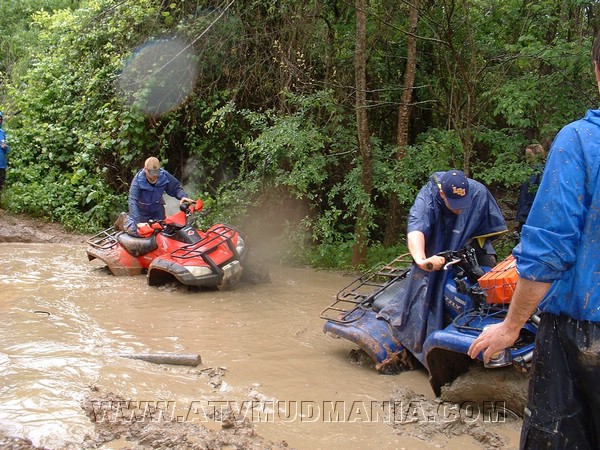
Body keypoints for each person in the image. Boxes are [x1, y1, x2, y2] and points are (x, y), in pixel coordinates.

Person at [468, 34, 600, 450]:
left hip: (581, 332)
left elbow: (550, 248)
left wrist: (511, 327)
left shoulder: (579, 141)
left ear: (597, 71)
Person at [377, 169, 507, 364]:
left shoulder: (478, 192)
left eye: (463, 205)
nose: (460, 210)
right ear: (442, 194)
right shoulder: (426, 200)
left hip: (470, 247)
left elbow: (492, 227)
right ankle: (423, 338)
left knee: (491, 284)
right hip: (436, 250)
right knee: (431, 289)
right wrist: (422, 260)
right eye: (455, 205)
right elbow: (416, 230)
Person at [123, 157, 193, 236]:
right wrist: (138, 223)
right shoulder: (137, 181)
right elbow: (132, 201)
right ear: (145, 169)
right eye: (152, 173)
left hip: (158, 210)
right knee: (141, 234)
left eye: (156, 172)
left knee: (164, 234)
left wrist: (182, 196)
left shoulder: (164, 175)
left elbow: (175, 188)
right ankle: (124, 221)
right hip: (143, 213)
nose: (154, 176)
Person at [515, 143, 546, 233]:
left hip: (531, 211)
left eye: (529, 155)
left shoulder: (540, 171)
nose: (527, 158)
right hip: (524, 211)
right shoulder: (528, 170)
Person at [0, 111, 10, 194]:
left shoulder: (2, 132)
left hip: (1, 163)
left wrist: (5, 146)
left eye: (0, 119)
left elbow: (6, 150)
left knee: (1, 185)